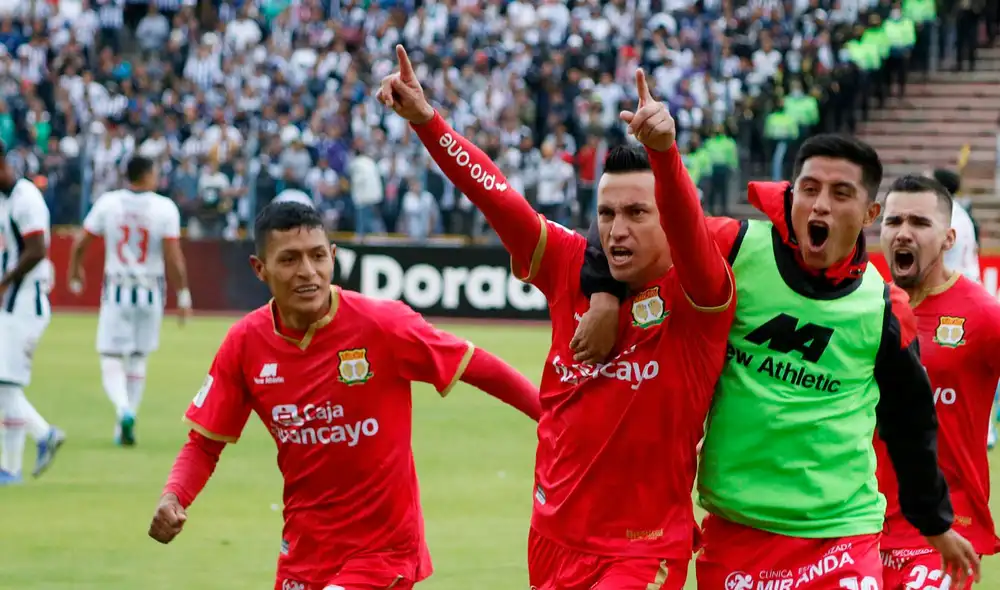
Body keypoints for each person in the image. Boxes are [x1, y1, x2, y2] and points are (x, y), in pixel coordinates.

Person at [378, 45, 734, 589]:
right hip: (551, 536)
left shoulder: (699, 297)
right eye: (608, 214)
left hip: (641, 552)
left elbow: (687, 223)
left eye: (639, 213)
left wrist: (664, 155)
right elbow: (496, 196)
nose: (618, 230)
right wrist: (428, 122)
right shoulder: (569, 264)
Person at [575, 135, 982, 588]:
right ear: (791, 193)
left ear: (870, 215)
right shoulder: (736, 248)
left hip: (842, 538)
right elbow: (633, 226)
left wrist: (934, 522)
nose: (820, 205)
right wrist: (604, 296)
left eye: (840, 193)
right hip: (736, 538)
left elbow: (911, 425)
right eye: (809, 189)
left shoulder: (885, 308)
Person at [147, 202, 541, 590]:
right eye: (289, 260)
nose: (308, 272)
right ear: (260, 269)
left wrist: (552, 416)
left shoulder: (383, 325)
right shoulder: (245, 344)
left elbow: (477, 365)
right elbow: (204, 444)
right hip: (304, 551)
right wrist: (174, 495)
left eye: (318, 256)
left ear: (333, 257)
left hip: (383, 553)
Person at [876, 174, 1000, 590]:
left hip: (950, 522)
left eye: (919, 223)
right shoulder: (867, 309)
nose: (903, 233)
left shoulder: (983, 315)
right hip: (864, 521)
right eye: (893, 222)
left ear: (949, 238)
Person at [67, 155, 192, 446]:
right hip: (151, 292)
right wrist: (184, 294)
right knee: (138, 357)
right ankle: (128, 416)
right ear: (147, 175)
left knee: (110, 356)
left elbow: (81, 242)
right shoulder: (165, 208)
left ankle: (123, 410)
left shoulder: (108, 203)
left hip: (117, 290)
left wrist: (75, 271)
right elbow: (173, 256)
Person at [0, 145, 65, 484]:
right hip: (13, 301)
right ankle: (10, 469)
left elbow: (37, 250)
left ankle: (43, 435)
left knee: (5, 384)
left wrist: (4, 282)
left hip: (26, 302)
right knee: (4, 385)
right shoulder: (6, 199)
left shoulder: (26, 198)